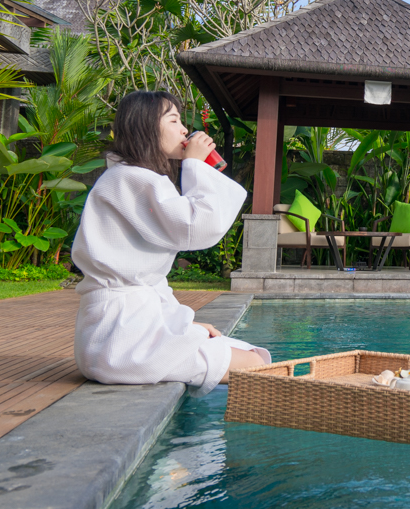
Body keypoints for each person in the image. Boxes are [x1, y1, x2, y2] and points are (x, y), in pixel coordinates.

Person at [72, 90, 271, 395]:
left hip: (122, 331)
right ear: (146, 127)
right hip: (123, 340)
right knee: (257, 365)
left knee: (250, 353)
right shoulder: (131, 179)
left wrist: (185, 327)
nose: (183, 129)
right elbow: (195, 227)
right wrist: (195, 166)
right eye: (174, 119)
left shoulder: (130, 177)